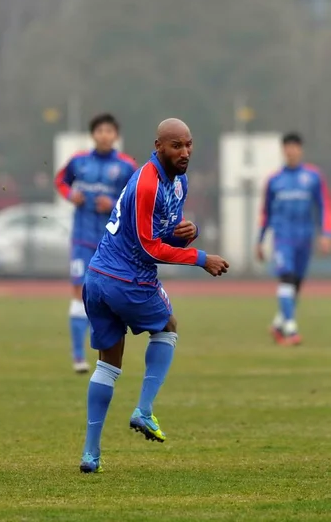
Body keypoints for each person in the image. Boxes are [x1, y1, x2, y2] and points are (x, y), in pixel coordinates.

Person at [79, 118, 229, 473]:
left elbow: (162, 236)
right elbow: (149, 249)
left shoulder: (179, 184)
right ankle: (144, 411)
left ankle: (90, 454)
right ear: (158, 146)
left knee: (107, 363)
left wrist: (186, 235)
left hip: (97, 276)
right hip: (127, 279)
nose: (185, 152)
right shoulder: (147, 181)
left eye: (189, 145)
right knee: (168, 325)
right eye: (177, 146)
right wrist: (202, 258)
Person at [54, 113, 137, 373]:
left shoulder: (126, 166)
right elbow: (60, 180)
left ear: (116, 136)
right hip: (81, 239)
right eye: (100, 130)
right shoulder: (80, 161)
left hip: (111, 242)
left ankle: (103, 352)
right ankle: (78, 356)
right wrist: (71, 194)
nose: (104, 135)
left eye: (109, 131)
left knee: (105, 295)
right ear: (93, 134)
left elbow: (135, 197)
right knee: (79, 292)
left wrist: (113, 204)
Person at [257, 132, 331, 346]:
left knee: (295, 285)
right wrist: (260, 240)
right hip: (283, 240)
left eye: (295, 146)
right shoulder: (274, 180)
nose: (291, 150)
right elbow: (265, 212)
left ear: (300, 150)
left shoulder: (313, 177)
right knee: (287, 278)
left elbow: (324, 206)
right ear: (283, 150)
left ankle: (278, 324)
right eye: (287, 146)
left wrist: (326, 234)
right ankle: (290, 330)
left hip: (304, 240)